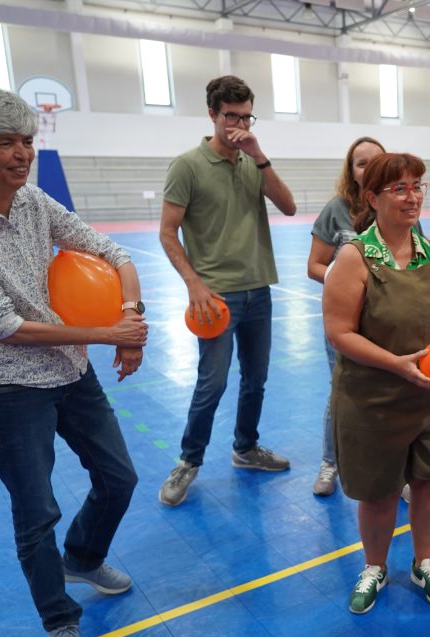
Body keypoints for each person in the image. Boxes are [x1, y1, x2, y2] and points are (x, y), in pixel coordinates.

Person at [0, 88, 145, 637]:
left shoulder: (34, 201)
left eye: (27, 141)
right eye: (5, 143)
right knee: (36, 509)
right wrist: (108, 332)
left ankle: (84, 556)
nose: (23, 154)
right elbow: (3, 326)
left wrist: (130, 319)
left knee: (119, 476)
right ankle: (59, 621)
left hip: (70, 370)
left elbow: (110, 251)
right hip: (5, 387)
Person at [322, 152, 430, 614]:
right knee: (380, 490)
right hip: (374, 398)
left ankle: (425, 561)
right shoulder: (354, 256)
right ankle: (375, 566)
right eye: (399, 188)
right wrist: (397, 364)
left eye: (418, 186)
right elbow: (339, 332)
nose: (412, 196)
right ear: (372, 198)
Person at [158, 75, 297, 506]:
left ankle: (246, 448)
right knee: (211, 384)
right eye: (231, 116)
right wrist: (194, 284)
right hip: (215, 296)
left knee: (256, 379)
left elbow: (289, 206)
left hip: (259, 290)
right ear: (213, 115)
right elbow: (167, 233)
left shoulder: (251, 162)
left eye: (246, 116)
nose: (239, 125)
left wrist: (259, 155)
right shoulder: (187, 165)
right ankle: (189, 461)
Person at [307, 136, 385, 496]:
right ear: (351, 171)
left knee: (389, 392)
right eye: (361, 162)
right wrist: (350, 283)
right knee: (342, 390)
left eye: (376, 161)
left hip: (387, 320)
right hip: (346, 319)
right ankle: (330, 463)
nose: (368, 168)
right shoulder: (335, 209)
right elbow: (314, 266)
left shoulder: (398, 205)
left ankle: (391, 466)